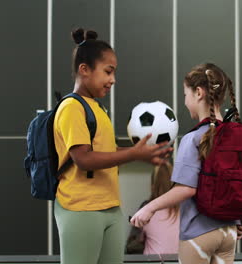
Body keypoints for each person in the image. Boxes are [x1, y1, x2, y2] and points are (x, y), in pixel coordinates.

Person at [53, 28, 172, 264]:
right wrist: (132, 154)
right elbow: (83, 158)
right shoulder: (71, 108)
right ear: (84, 69)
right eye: (108, 72)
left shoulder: (98, 108)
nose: (113, 80)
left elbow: (104, 152)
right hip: (80, 208)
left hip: (110, 207)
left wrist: (140, 155)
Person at [131, 63, 242, 264]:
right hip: (229, 233)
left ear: (198, 93)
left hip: (199, 234)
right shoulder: (236, 134)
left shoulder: (193, 139)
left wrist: (149, 208)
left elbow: (186, 189)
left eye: (185, 94)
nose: (185, 101)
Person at [125, 162, 180, 255]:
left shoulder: (146, 208)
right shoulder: (185, 208)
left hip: (152, 260)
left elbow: (133, 245)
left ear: (153, 185)